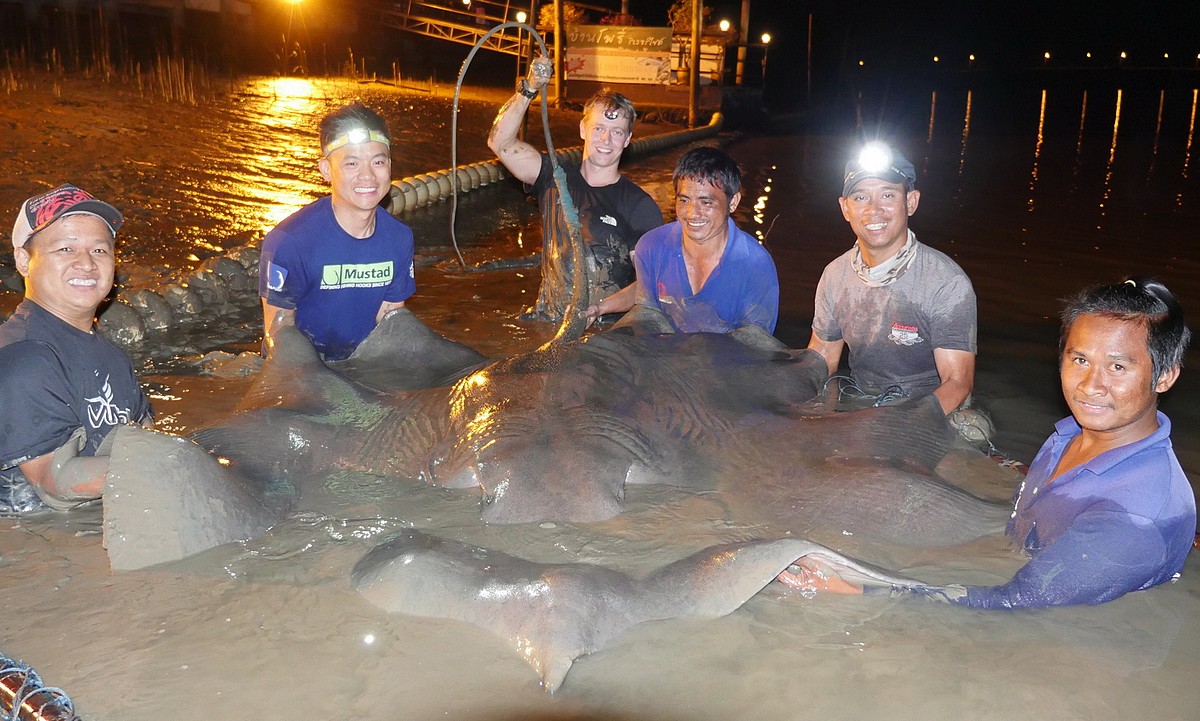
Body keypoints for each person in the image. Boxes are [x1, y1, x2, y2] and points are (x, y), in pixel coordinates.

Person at [781, 277, 1196, 608]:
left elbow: (1019, 603)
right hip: (1029, 557)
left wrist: (858, 592)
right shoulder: (1074, 433)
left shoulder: (1132, 520)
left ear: (1165, 376)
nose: (1090, 385)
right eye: (1080, 359)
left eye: (1118, 366)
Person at [0, 185, 153, 514]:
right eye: (65, 249)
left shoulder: (115, 358)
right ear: (24, 261)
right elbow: (55, 483)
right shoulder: (20, 358)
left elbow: (144, 438)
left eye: (99, 250)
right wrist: (170, 461)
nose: (86, 264)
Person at [487, 58, 663, 323]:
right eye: (599, 128)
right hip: (548, 319)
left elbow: (651, 287)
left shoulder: (640, 206)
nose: (606, 140)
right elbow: (499, 142)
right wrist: (529, 89)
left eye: (617, 132)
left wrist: (600, 309)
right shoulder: (553, 177)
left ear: (627, 140)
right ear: (583, 129)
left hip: (603, 332)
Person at [807, 141, 976, 415]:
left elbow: (958, 383)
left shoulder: (946, 282)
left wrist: (899, 426)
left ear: (911, 202)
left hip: (932, 407)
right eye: (860, 197)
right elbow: (822, 359)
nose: (874, 209)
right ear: (845, 208)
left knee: (975, 430)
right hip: (863, 398)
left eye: (887, 195)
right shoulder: (834, 275)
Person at [259, 102, 416, 361]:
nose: (368, 176)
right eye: (351, 164)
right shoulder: (290, 241)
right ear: (325, 170)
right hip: (301, 369)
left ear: (390, 165)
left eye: (378, 161)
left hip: (360, 365)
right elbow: (278, 331)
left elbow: (391, 318)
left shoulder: (399, 238)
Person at [619, 146, 779, 335]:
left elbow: (756, 342)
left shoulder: (756, 265)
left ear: (733, 202)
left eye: (706, 202)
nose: (692, 213)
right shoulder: (651, 246)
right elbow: (647, 312)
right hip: (665, 356)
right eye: (684, 200)